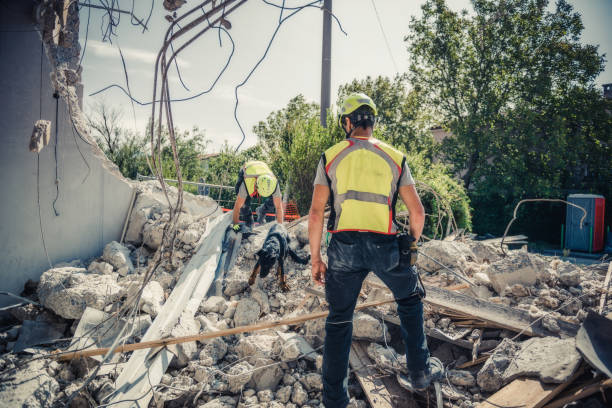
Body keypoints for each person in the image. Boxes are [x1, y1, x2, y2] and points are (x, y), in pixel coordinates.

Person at [308, 93, 443, 407]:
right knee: (409, 300)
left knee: (340, 318)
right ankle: (420, 372)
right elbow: (418, 212)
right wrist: (410, 244)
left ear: (347, 122)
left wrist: (316, 258)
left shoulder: (331, 155)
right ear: (372, 121)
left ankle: (335, 400)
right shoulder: (394, 156)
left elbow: (315, 214)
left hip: (343, 248)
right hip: (386, 245)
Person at [232, 160, 284, 230]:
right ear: (256, 187)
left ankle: (261, 211)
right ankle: (249, 220)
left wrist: (280, 228)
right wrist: (235, 225)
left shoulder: (274, 184)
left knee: (273, 202)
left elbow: (279, 208)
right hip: (247, 170)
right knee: (244, 205)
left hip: (262, 167)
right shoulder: (247, 183)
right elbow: (237, 206)